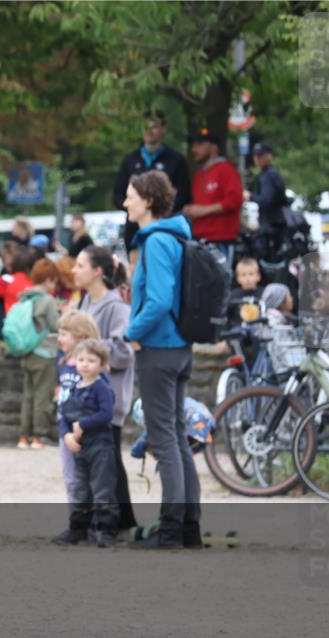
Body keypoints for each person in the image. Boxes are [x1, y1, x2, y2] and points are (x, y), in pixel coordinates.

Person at [123, 170, 201, 550]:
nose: (125, 203)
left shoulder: (155, 241)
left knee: (164, 439)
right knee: (178, 437)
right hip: (181, 347)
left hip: (158, 349)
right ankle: (189, 528)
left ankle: (170, 531)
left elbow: (157, 301)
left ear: (148, 200)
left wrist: (131, 333)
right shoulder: (177, 235)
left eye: (130, 196)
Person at [72, 246, 137, 533]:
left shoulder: (115, 307)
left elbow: (125, 350)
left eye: (80, 265)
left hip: (107, 398)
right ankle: (118, 521)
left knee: (108, 464)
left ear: (97, 271)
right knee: (99, 463)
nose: (74, 270)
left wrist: (91, 351)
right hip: (87, 396)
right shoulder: (85, 304)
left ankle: (117, 522)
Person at [52, 339, 120, 548]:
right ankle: (78, 529)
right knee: (81, 489)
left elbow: (106, 413)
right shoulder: (73, 387)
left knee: (102, 489)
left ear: (102, 364)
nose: (85, 364)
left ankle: (107, 531)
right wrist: (67, 436)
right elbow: (64, 416)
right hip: (79, 447)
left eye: (91, 360)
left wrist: (83, 423)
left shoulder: (101, 387)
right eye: (81, 359)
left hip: (100, 446)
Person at [113, 112, 191, 265]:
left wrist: (157, 211)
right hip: (135, 230)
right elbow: (118, 195)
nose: (149, 131)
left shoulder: (176, 160)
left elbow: (184, 194)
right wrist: (137, 210)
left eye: (154, 126)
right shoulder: (130, 160)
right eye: (145, 127)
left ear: (163, 129)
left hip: (164, 225)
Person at [55, 310, 101, 502]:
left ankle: (90, 526)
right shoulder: (63, 364)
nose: (59, 339)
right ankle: (77, 525)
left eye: (64, 334)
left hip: (85, 432)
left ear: (81, 337)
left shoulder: (89, 368)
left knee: (88, 481)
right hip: (65, 432)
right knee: (71, 480)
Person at [183, 128, 244, 264]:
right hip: (199, 240)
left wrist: (203, 210)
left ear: (213, 147)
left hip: (221, 240)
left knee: (221, 280)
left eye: (199, 144)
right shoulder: (198, 175)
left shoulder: (226, 170)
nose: (194, 149)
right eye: (193, 145)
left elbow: (235, 200)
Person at [17, 259, 60, 450]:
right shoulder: (47, 300)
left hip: (26, 350)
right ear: (49, 279)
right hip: (44, 352)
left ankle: (24, 437)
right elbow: (56, 326)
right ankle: (39, 437)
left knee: (28, 396)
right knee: (43, 395)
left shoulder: (24, 297)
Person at [246, 142, 289, 263]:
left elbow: (265, 200)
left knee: (267, 262)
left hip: (270, 228)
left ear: (269, 156)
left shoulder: (267, 175)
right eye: (256, 155)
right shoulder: (271, 174)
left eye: (260, 155)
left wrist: (250, 196)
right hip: (275, 227)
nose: (257, 159)